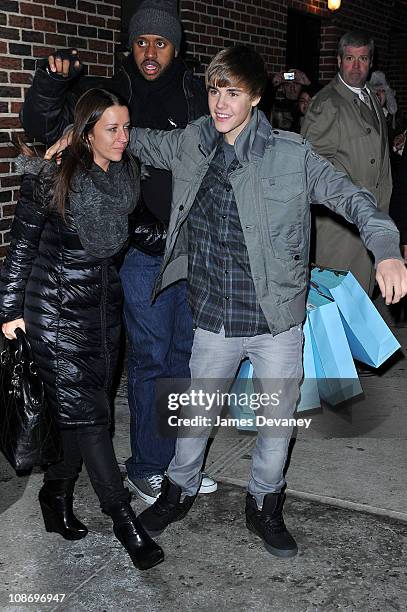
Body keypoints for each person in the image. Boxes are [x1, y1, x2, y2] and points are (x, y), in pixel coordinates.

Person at [49, 45, 407, 559]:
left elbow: (354, 198)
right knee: (195, 415)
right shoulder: (195, 141)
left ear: (256, 97)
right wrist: (78, 135)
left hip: (276, 318)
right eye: (215, 90)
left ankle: (264, 503)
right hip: (213, 315)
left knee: (276, 423)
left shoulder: (292, 155)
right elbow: (139, 141)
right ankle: (178, 488)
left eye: (233, 92)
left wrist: (387, 250)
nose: (219, 103)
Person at [19, 0, 216, 505]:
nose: (150, 52)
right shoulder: (110, 92)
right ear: (130, 46)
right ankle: (146, 466)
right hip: (141, 253)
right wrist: (50, 83)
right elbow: (46, 129)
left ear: (176, 47)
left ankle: (175, 461)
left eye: (161, 43)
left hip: (191, 250)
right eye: (141, 42)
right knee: (151, 357)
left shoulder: (195, 94)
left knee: (183, 357)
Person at [0, 89, 163, 571]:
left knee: (78, 413)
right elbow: (20, 248)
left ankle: (55, 495)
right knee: (94, 420)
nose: (123, 137)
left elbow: (144, 232)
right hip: (52, 311)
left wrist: (193, 233)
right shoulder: (54, 179)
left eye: (127, 127)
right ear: (86, 130)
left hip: (101, 313)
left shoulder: (124, 180)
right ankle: (125, 523)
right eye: (112, 128)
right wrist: (8, 313)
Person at [301, 31, 393, 295]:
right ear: (339, 61)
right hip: (341, 229)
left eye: (362, 58)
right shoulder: (326, 103)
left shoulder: (371, 98)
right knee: (335, 304)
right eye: (350, 58)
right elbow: (311, 164)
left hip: (369, 220)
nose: (356, 66)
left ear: (371, 62)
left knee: (359, 303)